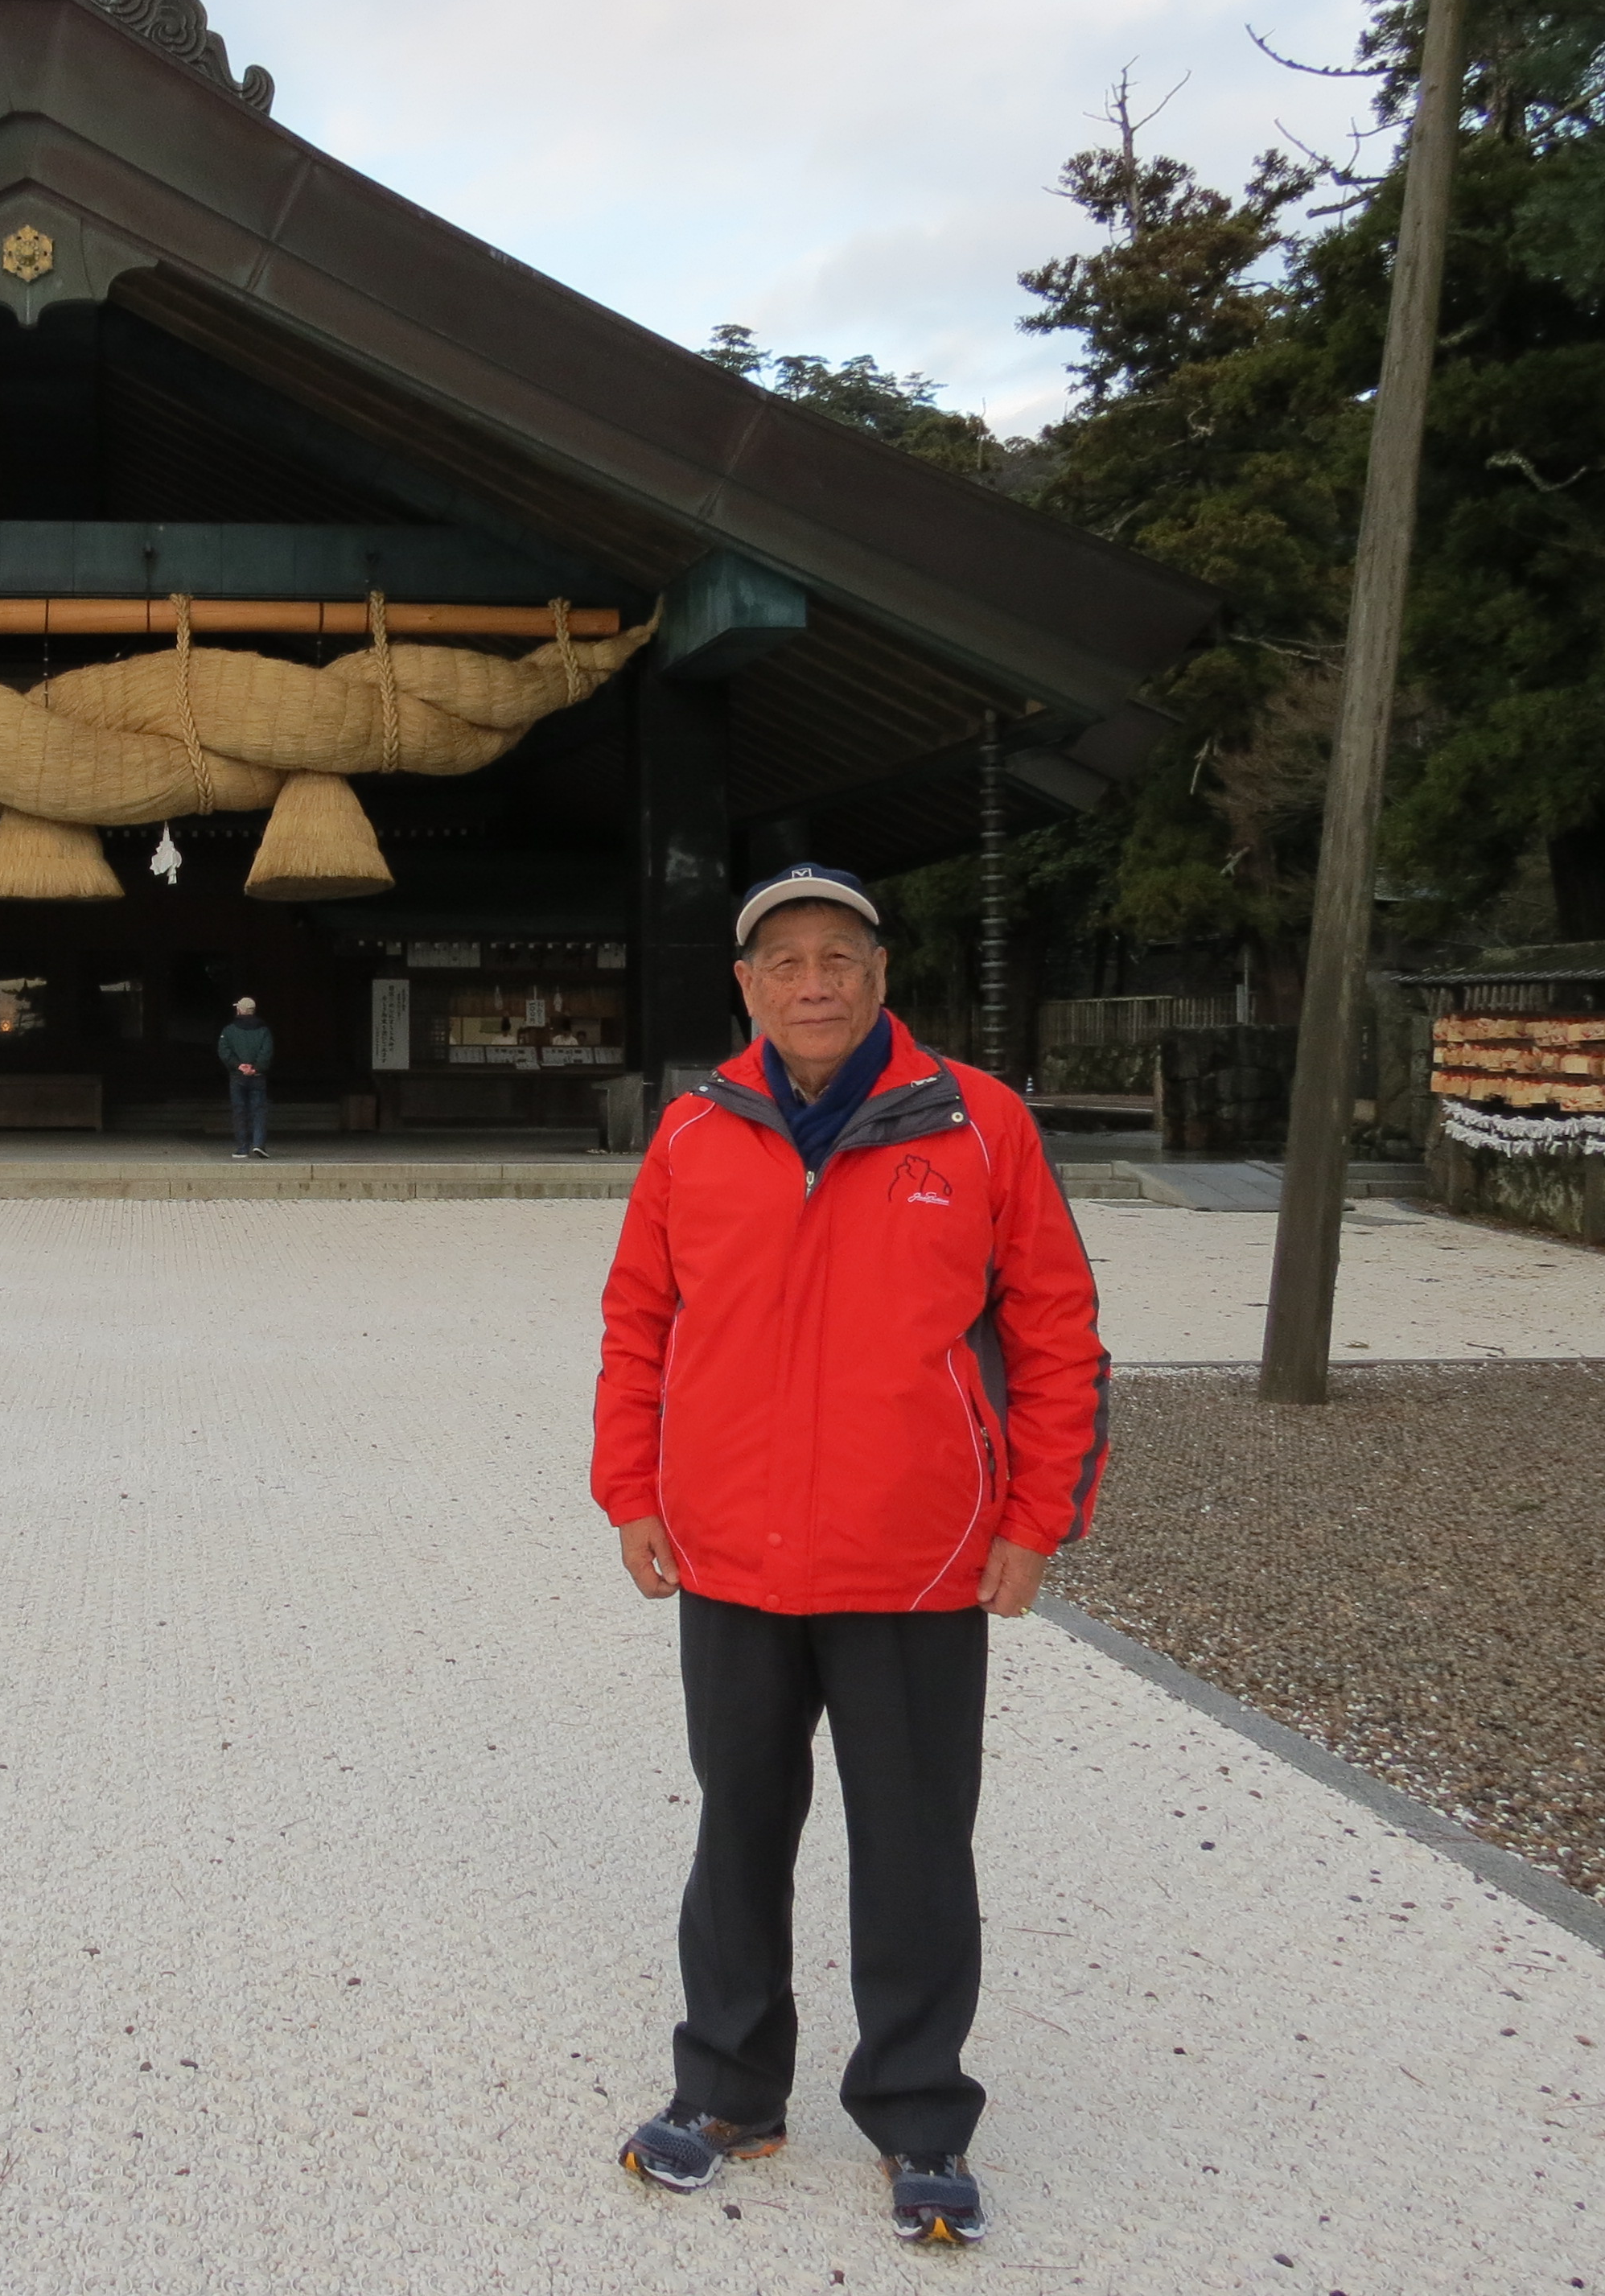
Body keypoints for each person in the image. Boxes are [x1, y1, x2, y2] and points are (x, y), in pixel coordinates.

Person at [596, 862, 1107, 2247]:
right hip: (734, 1550)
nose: (813, 982)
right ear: (747, 986)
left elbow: (1058, 1333)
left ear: (881, 975)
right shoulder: (697, 1128)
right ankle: (728, 2092)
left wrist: (1035, 1517)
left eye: (840, 957)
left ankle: (920, 2113)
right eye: (785, 962)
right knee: (739, 1826)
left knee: (916, 1846)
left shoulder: (980, 1124)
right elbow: (640, 1318)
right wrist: (630, 1489)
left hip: (918, 1555)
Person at [217, 994, 274, 1158]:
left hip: (237, 1076)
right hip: (258, 1076)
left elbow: (224, 1050)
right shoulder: (264, 1031)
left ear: (239, 1010)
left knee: (240, 1111)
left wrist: (238, 1065)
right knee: (259, 1110)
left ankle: (243, 1148)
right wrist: (256, 1068)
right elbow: (267, 1052)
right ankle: (259, 1144)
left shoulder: (229, 1030)